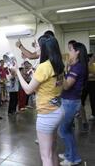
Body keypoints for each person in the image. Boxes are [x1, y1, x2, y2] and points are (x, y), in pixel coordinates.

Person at [11, 34, 65, 166]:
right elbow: (47, 87)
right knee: (53, 150)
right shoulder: (58, 64)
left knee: (45, 157)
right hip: (58, 110)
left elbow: (28, 90)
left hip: (47, 114)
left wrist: (17, 71)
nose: (37, 49)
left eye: (38, 46)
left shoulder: (44, 67)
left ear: (45, 49)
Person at [58, 41, 88, 166]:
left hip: (70, 102)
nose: (68, 53)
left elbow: (66, 86)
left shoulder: (77, 67)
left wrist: (61, 73)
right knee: (68, 129)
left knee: (63, 130)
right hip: (70, 100)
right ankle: (69, 154)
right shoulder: (77, 65)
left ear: (77, 52)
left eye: (70, 50)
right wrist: (66, 68)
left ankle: (73, 158)